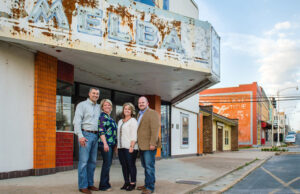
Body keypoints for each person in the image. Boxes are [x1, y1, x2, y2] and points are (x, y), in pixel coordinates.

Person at [73, 88, 101, 194]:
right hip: (85, 135)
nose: (95, 95)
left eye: (97, 94)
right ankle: (83, 186)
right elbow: (77, 121)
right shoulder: (82, 105)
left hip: (95, 136)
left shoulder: (99, 107)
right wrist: (80, 136)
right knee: (84, 162)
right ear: (89, 94)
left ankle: (90, 183)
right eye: (93, 93)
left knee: (92, 162)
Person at [136, 96, 160, 194]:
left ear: (147, 103)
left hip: (149, 145)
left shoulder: (152, 113)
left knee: (149, 166)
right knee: (145, 166)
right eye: (139, 103)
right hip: (142, 145)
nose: (141, 104)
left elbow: (155, 129)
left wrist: (152, 143)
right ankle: (147, 184)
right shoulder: (139, 114)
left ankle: (150, 188)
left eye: (143, 102)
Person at [117, 103, 138, 191]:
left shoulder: (133, 120)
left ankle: (132, 183)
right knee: (124, 165)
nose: (127, 110)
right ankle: (126, 182)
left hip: (130, 147)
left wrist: (131, 146)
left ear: (131, 111)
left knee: (131, 165)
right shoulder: (120, 121)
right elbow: (118, 135)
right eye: (125, 109)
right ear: (123, 110)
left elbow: (134, 135)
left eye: (129, 109)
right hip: (121, 147)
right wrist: (117, 147)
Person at [98, 99, 118, 191]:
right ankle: (103, 185)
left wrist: (115, 145)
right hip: (105, 144)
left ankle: (105, 182)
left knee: (108, 164)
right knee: (107, 164)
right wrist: (105, 144)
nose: (107, 106)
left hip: (111, 144)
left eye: (109, 105)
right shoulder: (102, 117)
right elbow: (101, 131)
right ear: (102, 107)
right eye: (105, 105)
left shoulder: (109, 117)